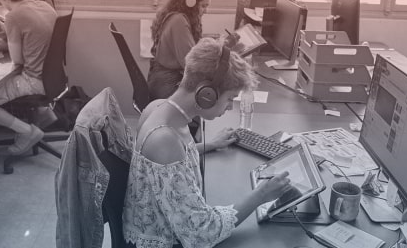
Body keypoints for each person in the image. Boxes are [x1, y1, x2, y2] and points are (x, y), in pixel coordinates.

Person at [123, 38, 293, 248]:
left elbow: (168, 168)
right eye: (230, 98)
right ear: (207, 94)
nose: (230, 107)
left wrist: (210, 145)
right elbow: (201, 233)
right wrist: (261, 195)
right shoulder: (164, 141)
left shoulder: (158, 108)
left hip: (174, 229)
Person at [0, 0, 57, 155]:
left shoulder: (13, 16)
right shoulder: (45, 6)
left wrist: (9, 30)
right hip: (53, 78)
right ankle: (45, 113)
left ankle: (27, 132)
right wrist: (10, 31)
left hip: (33, 81)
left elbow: (18, 61)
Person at [148, 0, 238, 101]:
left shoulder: (177, 17)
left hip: (164, 79)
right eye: (203, 6)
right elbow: (192, 64)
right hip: (168, 85)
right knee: (218, 90)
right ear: (190, 2)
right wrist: (223, 50)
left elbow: (193, 49)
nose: (206, 11)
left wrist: (221, 44)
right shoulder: (178, 21)